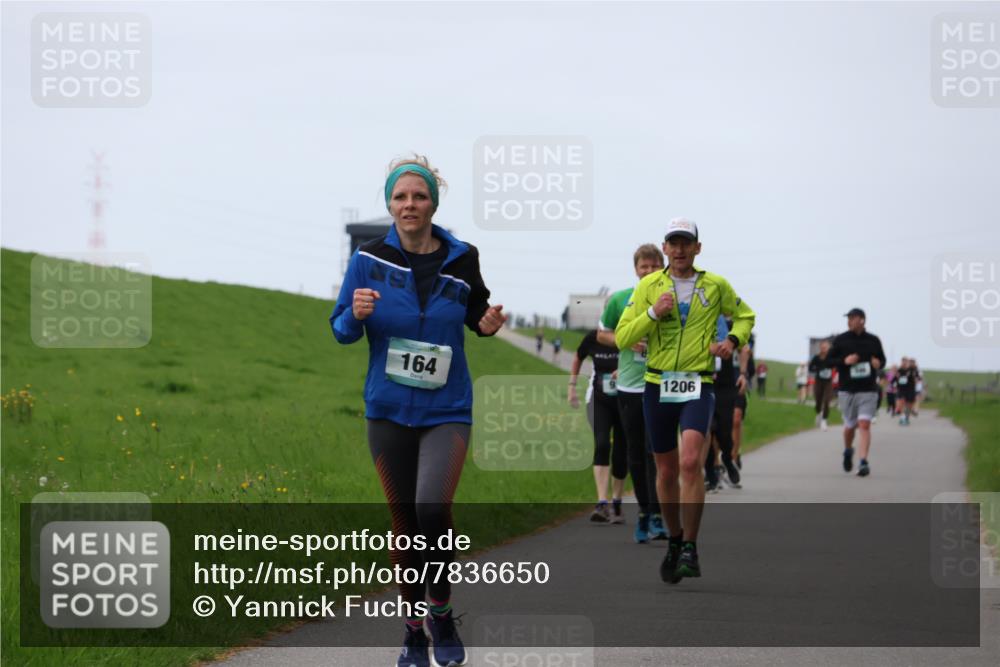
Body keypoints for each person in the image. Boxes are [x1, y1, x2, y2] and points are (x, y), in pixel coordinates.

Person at [330, 155, 506, 667]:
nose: (410, 205)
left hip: (447, 408)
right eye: (401, 197)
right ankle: (412, 631)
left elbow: (476, 311)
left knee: (432, 510)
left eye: (419, 196)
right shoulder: (368, 259)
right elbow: (340, 327)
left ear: (434, 202)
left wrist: (488, 322)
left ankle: (442, 613)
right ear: (390, 203)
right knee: (405, 522)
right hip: (386, 409)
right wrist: (355, 315)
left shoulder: (462, 256)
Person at [615, 218, 755, 583]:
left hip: (698, 382)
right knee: (665, 470)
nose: (679, 250)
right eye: (673, 243)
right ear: (664, 248)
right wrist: (652, 313)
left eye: (685, 243)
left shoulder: (715, 285)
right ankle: (674, 539)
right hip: (657, 383)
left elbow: (744, 315)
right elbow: (622, 336)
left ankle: (690, 546)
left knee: (691, 461)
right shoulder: (649, 286)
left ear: (697, 248)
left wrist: (734, 342)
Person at [598, 244, 669, 543]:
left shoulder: (671, 299)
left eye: (655, 266)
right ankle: (643, 511)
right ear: (636, 269)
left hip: (663, 384)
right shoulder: (620, 299)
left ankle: (657, 513)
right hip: (629, 384)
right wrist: (626, 341)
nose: (649, 271)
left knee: (659, 452)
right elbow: (602, 334)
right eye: (644, 266)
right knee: (636, 452)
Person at [569, 330, 627, 524]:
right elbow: (578, 356)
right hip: (598, 400)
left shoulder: (629, 335)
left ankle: (617, 501)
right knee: (602, 444)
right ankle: (602, 502)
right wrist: (572, 387)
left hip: (626, 400)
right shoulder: (593, 337)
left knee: (621, 451)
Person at [824, 308, 886, 478]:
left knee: (864, 424)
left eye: (852, 318)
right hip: (847, 390)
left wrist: (877, 363)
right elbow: (828, 361)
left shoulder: (873, 340)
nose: (849, 321)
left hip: (868, 390)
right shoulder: (841, 340)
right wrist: (844, 361)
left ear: (862, 320)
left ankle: (863, 462)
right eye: (848, 318)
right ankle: (847, 450)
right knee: (850, 427)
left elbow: (882, 360)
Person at [704, 316, 749, 492]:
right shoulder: (698, 321)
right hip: (704, 384)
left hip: (725, 387)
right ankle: (710, 473)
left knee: (723, 431)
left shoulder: (728, 326)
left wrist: (743, 373)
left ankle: (728, 460)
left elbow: (745, 348)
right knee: (705, 430)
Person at [809, 340, 834, 431]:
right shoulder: (816, 357)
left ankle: (824, 420)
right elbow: (810, 368)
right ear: (820, 348)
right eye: (823, 347)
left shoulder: (831, 357)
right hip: (819, 381)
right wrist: (818, 369)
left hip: (828, 382)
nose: (824, 348)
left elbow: (836, 364)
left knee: (827, 401)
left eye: (826, 347)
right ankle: (819, 413)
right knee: (818, 401)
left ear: (828, 348)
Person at [896, 357, 919, 425]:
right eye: (904, 362)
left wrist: (915, 378)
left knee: (909, 405)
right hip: (902, 389)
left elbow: (917, 379)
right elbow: (898, 377)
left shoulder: (914, 370)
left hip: (911, 389)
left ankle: (906, 418)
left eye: (907, 362)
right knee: (902, 403)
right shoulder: (901, 369)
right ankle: (902, 418)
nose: (905, 363)